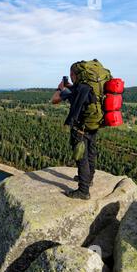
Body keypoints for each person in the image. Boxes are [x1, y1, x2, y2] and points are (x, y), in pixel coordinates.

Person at [51, 63, 99, 200]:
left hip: (79, 129)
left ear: (74, 75)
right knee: (91, 153)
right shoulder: (88, 88)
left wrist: (60, 88)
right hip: (93, 126)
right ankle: (88, 179)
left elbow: (54, 100)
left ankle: (83, 191)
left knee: (81, 158)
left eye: (71, 75)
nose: (71, 78)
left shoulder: (77, 90)